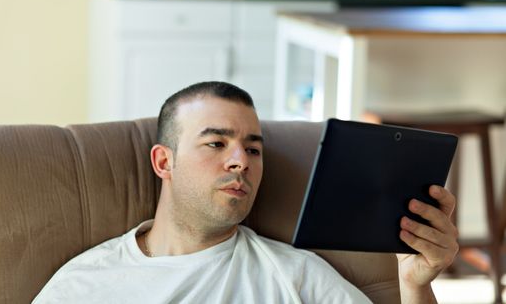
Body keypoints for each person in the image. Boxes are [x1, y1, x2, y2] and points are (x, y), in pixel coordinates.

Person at [33, 81, 459, 303]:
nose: (242, 162)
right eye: (216, 144)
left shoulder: (296, 275)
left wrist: (415, 284)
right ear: (164, 162)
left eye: (253, 148)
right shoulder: (88, 282)